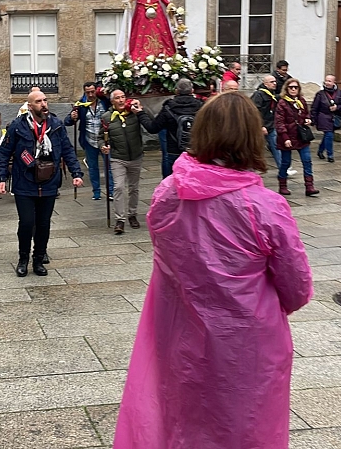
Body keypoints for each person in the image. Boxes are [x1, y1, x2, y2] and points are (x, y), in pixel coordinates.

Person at [113, 92, 313, 449]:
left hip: (182, 337)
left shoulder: (167, 193)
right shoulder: (265, 207)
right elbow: (296, 289)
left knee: (184, 423)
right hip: (248, 345)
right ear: (253, 137)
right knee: (245, 427)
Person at [0, 90, 83, 276]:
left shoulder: (56, 125)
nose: (44, 104)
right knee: (27, 222)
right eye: (38, 101)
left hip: (49, 180)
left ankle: (38, 259)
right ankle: (23, 258)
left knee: (43, 224)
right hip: (24, 182)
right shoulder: (17, 126)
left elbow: (67, 149)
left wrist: (76, 172)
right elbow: (4, 153)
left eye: (45, 100)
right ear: (30, 106)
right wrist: (0, 178)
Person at [135, 78, 203, 177]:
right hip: (195, 151)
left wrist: (140, 113)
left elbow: (152, 128)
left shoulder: (169, 108)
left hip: (174, 151)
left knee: (174, 183)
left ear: (176, 91)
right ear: (192, 91)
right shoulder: (201, 106)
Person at [99, 90, 143, 235]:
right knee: (118, 187)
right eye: (117, 98)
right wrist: (103, 146)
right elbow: (100, 137)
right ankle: (120, 219)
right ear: (112, 101)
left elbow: (148, 120)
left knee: (134, 188)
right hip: (118, 157)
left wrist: (140, 108)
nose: (121, 100)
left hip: (135, 156)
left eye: (123, 97)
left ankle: (132, 214)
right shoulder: (107, 117)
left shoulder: (134, 113)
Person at [64, 82, 113, 200]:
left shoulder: (105, 102)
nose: (90, 94)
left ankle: (111, 191)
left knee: (109, 166)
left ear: (97, 90)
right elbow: (67, 121)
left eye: (92, 91)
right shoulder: (81, 105)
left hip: (105, 140)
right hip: (89, 140)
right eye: (88, 92)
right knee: (92, 167)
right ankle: (96, 192)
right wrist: (72, 117)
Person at [275, 78, 319, 196]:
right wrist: (285, 137)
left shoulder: (301, 101)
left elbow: (305, 114)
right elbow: (279, 122)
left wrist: (307, 120)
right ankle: (282, 185)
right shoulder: (282, 103)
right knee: (286, 162)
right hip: (287, 137)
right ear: (286, 89)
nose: (293, 89)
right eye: (291, 87)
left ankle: (309, 186)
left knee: (307, 161)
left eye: (296, 87)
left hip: (301, 136)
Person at [311, 74, 341, 163]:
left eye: (329, 81)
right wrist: (313, 119)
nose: (327, 83)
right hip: (323, 117)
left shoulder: (340, 93)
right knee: (329, 135)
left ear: (334, 82)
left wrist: (337, 107)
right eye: (326, 80)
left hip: (335, 117)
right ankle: (330, 155)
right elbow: (314, 108)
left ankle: (320, 151)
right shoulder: (320, 94)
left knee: (327, 136)